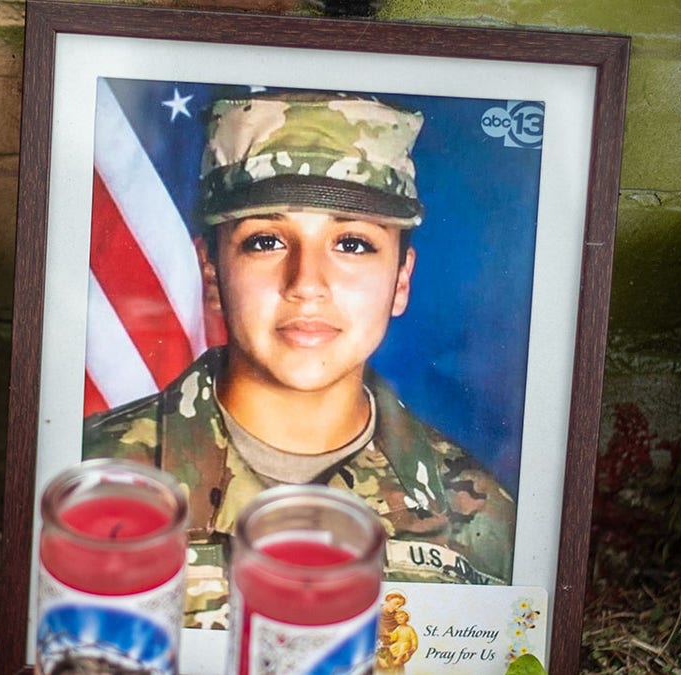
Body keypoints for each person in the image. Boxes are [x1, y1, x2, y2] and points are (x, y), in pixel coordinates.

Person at [83, 90, 516, 629]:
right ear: (213, 273)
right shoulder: (87, 477)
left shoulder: (477, 511)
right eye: (265, 241)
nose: (307, 285)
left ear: (400, 280)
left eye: (352, 244)